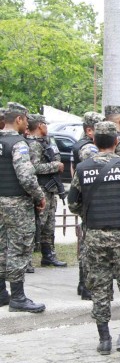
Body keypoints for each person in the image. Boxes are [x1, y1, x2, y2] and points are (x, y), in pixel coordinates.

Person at [68, 121, 120, 358]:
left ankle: (104, 339)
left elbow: (73, 203)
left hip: (94, 237)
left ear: (94, 142)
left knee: (99, 287)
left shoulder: (83, 168)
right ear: (116, 142)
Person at [0, 102, 46, 313]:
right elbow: (26, 177)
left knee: (1, 247)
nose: (27, 124)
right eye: (26, 119)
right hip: (16, 203)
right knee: (19, 247)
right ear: (18, 119)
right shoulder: (18, 144)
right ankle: (17, 296)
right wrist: (39, 196)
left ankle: (1, 293)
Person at [26, 114, 67, 267]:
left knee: (49, 224)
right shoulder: (34, 145)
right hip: (41, 188)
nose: (47, 127)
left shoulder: (46, 142)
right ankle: (27, 259)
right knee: (38, 223)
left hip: (50, 189)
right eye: (45, 124)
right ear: (40, 125)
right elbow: (33, 167)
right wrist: (55, 166)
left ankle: (48, 254)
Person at [71, 112, 103, 301]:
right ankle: (86, 285)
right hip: (91, 201)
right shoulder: (89, 149)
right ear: (90, 130)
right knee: (89, 247)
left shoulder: (79, 144)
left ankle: (84, 283)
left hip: (85, 199)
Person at [71, 112, 103, 176]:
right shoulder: (90, 148)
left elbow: (72, 168)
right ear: (89, 131)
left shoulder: (80, 143)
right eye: (100, 129)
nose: (104, 131)